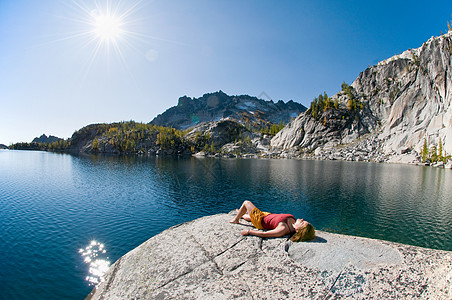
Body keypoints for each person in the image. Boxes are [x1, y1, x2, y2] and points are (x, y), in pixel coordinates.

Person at [230, 200, 315, 242]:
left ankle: (236, 219)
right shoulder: (293, 221)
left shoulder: (283, 229)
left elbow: (265, 234)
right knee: (249, 217)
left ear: (298, 230)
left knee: (246, 202)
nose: (302, 220)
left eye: (303, 223)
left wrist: (249, 231)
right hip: (267, 215)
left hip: (260, 220)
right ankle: (242, 214)